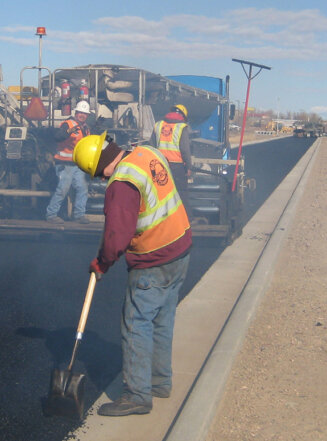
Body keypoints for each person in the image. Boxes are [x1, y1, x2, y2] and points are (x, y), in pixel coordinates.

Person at [72, 131, 192, 417]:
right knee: (161, 321)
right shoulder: (147, 153)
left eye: (97, 175)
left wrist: (102, 263)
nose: (102, 180)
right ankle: (159, 382)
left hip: (154, 259)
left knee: (137, 324)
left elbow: (117, 237)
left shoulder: (122, 183)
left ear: (101, 167)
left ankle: (137, 395)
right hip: (180, 249)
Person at [45, 101, 93, 223]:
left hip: (77, 165)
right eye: (80, 112)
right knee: (63, 189)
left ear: (87, 115)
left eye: (85, 113)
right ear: (76, 113)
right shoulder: (68, 124)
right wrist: (68, 132)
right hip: (64, 164)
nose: (82, 115)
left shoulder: (86, 128)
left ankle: (79, 215)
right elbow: (57, 137)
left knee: (82, 188)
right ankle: (51, 215)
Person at [151, 104, 192, 204]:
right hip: (177, 167)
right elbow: (185, 149)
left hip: (159, 165)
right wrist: (188, 167)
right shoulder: (182, 127)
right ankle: (183, 213)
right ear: (183, 116)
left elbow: (151, 146)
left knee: (161, 193)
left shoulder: (158, 125)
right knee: (180, 194)